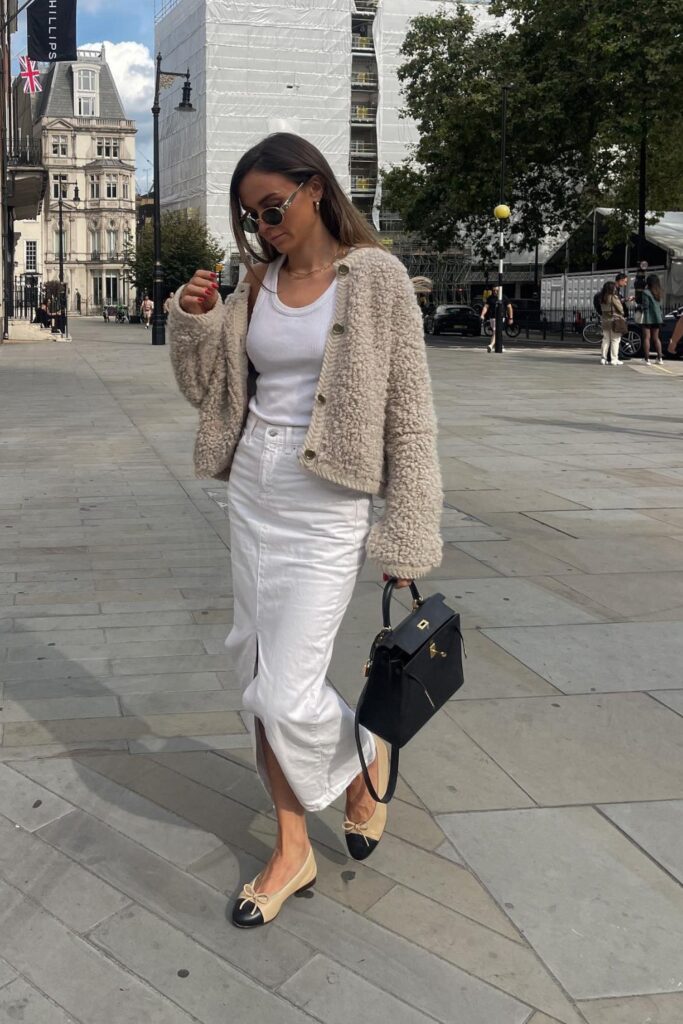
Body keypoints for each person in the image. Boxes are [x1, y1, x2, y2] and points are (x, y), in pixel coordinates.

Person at [168, 132, 443, 930]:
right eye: (251, 217)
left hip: (326, 509)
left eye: (273, 207)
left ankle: (363, 754)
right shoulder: (256, 283)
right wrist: (194, 322)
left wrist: (407, 531)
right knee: (256, 681)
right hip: (252, 493)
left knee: (285, 693)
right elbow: (206, 392)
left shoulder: (377, 280)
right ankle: (293, 846)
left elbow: (410, 416)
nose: (263, 227)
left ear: (315, 187)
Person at [480, 287, 513, 352]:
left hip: (501, 317)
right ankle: (500, 345)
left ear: (500, 291)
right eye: (494, 290)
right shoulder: (490, 298)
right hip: (492, 317)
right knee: (497, 332)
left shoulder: (504, 297)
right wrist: (482, 315)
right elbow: (486, 307)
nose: (495, 292)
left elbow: (509, 307)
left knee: (496, 331)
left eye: (497, 290)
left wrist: (511, 318)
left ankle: (491, 345)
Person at [599, 281, 624, 366]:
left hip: (605, 321)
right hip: (614, 321)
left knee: (605, 340)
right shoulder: (614, 297)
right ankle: (614, 359)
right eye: (614, 287)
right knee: (615, 340)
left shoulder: (602, 298)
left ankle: (603, 358)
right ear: (611, 288)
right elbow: (620, 308)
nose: (615, 288)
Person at [641, 274, 664, 365]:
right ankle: (660, 358)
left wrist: (639, 306)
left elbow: (645, 306)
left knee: (646, 338)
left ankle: (647, 359)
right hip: (657, 318)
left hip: (647, 318)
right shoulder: (659, 292)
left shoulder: (646, 292)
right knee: (656, 338)